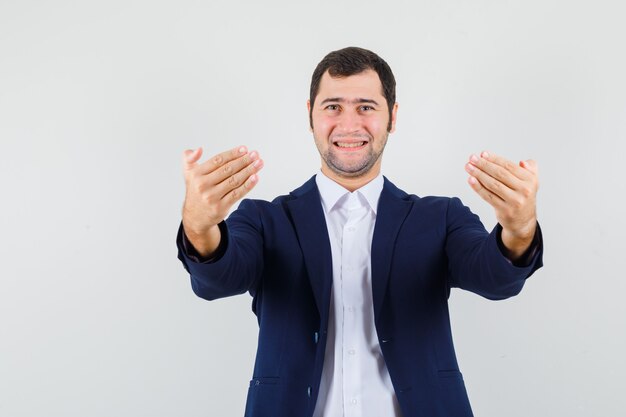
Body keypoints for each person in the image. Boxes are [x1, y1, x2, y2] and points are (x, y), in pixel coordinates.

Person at [176, 47, 543, 417]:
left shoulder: (441, 217)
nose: (349, 125)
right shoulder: (264, 220)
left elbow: (496, 279)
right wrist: (199, 224)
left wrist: (519, 228)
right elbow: (218, 281)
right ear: (310, 115)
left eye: (366, 107)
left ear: (392, 118)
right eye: (332, 106)